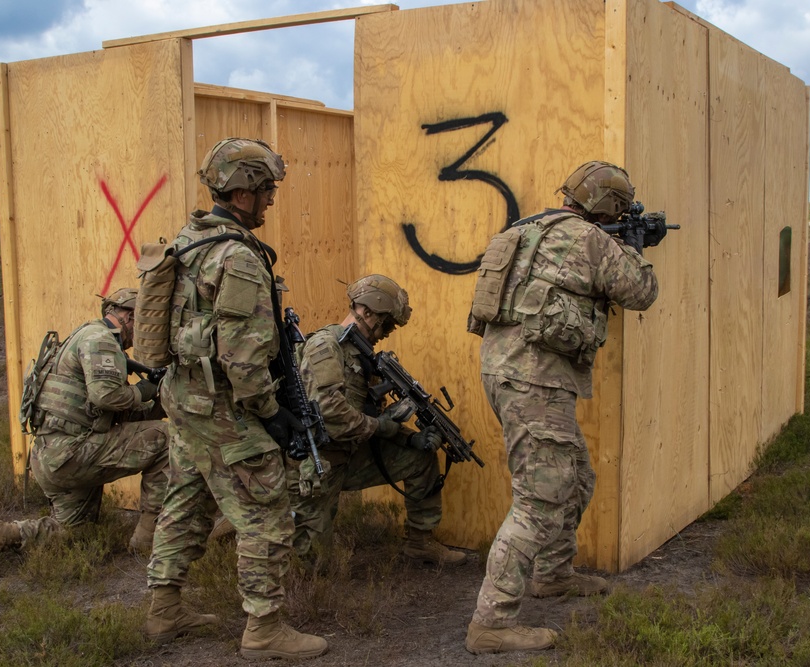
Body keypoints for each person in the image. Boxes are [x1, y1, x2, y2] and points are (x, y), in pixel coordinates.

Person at [464, 161, 662, 654]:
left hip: (505, 370)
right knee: (539, 499)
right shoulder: (591, 241)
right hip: (535, 379)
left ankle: (553, 574)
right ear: (610, 208)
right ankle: (490, 622)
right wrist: (632, 248)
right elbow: (641, 292)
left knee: (576, 475)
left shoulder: (528, 228)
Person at [143, 137, 327, 660]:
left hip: (184, 399)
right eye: (266, 189)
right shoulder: (239, 258)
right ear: (243, 191)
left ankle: (164, 608)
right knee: (267, 510)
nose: (271, 199)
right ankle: (265, 630)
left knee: (187, 500)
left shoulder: (190, 239)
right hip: (224, 408)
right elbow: (244, 361)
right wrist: (272, 415)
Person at [0, 288, 169, 576]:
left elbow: (108, 413)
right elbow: (106, 397)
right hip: (72, 453)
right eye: (144, 322)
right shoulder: (100, 340)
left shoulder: (83, 338)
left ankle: (0, 533)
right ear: (128, 316)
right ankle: (148, 540)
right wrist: (141, 390)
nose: (144, 332)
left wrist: (158, 402)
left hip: (53, 456)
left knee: (75, 532)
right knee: (165, 440)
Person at [287, 274, 466, 567]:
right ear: (366, 312)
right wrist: (382, 426)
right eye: (386, 323)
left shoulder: (360, 354)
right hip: (318, 464)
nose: (387, 332)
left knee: (419, 457)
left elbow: (369, 414)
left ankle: (419, 543)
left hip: (351, 455)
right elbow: (331, 414)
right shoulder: (326, 347)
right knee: (314, 566)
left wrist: (407, 437)